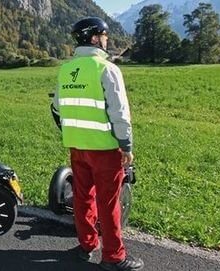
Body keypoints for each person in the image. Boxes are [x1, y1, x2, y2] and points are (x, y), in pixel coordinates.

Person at [52, 17, 143, 271]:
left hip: (77, 147)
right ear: (94, 38)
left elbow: (57, 108)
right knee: (108, 202)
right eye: (104, 35)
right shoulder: (107, 69)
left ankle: (87, 244)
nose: (106, 40)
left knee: (82, 198)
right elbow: (120, 114)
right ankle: (114, 257)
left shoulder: (65, 70)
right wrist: (126, 145)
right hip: (104, 149)